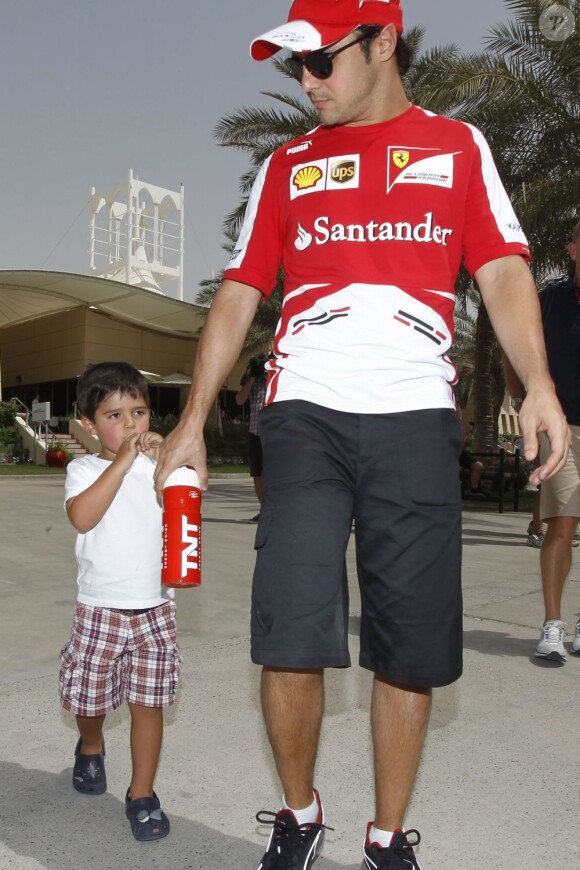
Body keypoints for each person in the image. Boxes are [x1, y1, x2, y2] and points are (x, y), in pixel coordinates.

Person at [154, 2, 569, 867]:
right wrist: (192, 419)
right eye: (293, 69)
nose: (307, 84)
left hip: (416, 419)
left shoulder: (457, 148)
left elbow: (500, 267)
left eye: (322, 62)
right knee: (290, 631)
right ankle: (299, 815)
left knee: (408, 647)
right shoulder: (289, 165)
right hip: (302, 414)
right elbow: (238, 293)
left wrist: (539, 388)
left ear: (384, 42)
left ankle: (386, 839)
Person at [59, 362, 178, 842]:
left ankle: (142, 793)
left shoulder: (163, 466)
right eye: (114, 415)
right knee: (90, 700)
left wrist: (172, 452)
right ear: (89, 425)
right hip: (101, 609)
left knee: (148, 704)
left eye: (140, 412)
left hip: (156, 609)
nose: (130, 425)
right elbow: (82, 517)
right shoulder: (84, 468)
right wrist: (123, 462)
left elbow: (193, 494)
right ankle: (91, 744)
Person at [504, 220, 580, 663]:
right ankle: (553, 625)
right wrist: (521, 399)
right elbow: (514, 350)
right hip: (562, 429)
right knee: (564, 523)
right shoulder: (549, 301)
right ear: (572, 249)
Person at [236, 354, 268, 521]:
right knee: (257, 473)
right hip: (255, 432)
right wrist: (252, 378)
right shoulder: (251, 380)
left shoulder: (273, 379)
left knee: (274, 473)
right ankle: (264, 508)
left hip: (272, 434)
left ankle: (274, 509)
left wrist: (268, 373)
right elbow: (240, 400)